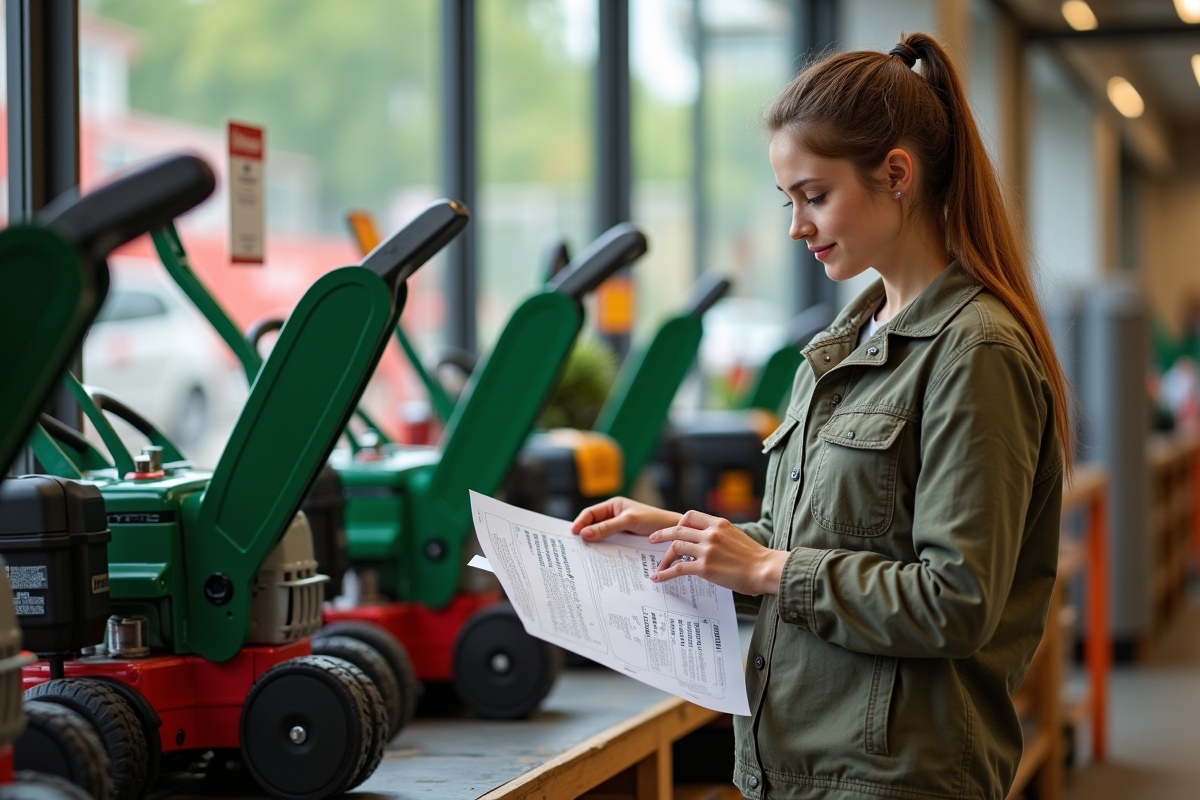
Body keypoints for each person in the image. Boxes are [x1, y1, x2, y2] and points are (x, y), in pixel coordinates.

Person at [571, 32, 1070, 800]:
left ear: (896, 174)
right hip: (800, 765)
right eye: (789, 201)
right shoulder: (843, 346)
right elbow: (810, 546)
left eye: (814, 195)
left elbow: (955, 602)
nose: (797, 227)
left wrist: (769, 568)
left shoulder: (976, 352)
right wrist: (679, 538)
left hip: (898, 777)